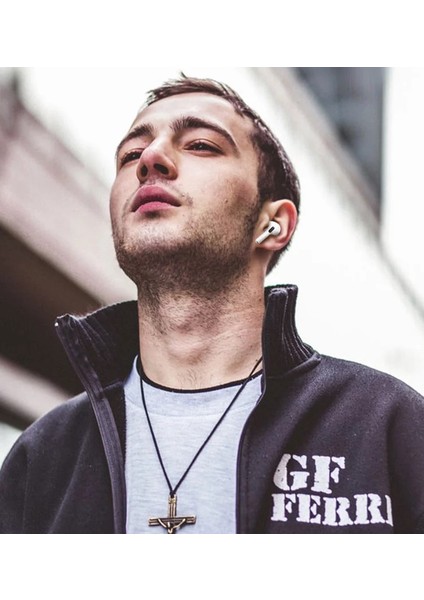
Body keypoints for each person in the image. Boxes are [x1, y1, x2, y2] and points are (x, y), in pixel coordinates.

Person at [1, 74, 424, 534]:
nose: (150, 159)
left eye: (201, 145)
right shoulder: (41, 457)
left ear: (272, 225)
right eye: (130, 155)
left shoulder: (389, 426)